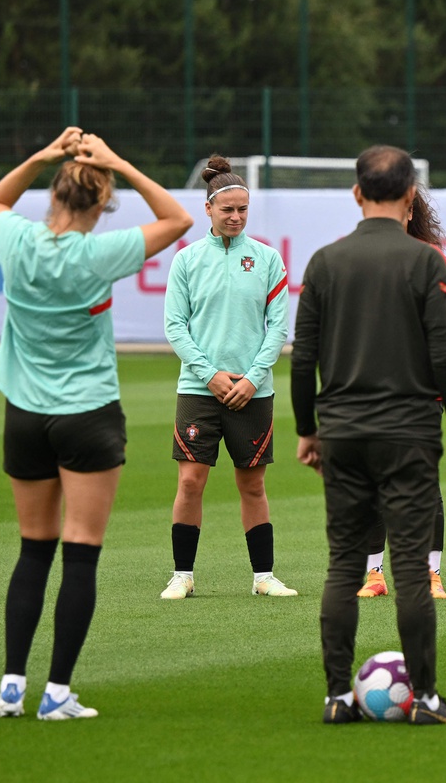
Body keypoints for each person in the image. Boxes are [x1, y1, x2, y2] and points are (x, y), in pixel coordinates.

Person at [0, 128, 193, 719]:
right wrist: (118, 161)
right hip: (87, 414)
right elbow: (178, 218)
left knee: (33, 551)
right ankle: (56, 694)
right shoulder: (99, 252)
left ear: (53, 193)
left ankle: (10, 688)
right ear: (102, 202)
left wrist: (45, 155)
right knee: (80, 554)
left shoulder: (18, 240)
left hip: (24, 413)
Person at [292, 145, 446, 725]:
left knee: (344, 565)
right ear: (411, 195)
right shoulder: (428, 263)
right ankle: (424, 699)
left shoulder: (324, 262)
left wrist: (305, 429)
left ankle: (337, 698)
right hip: (408, 432)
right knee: (412, 568)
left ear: (356, 193)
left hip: (341, 432)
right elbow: (444, 354)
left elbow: (302, 361)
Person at [158, 155, 294, 600]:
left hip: (254, 392)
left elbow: (278, 327)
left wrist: (252, 379)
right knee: (190, 481)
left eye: (243, 210)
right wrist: (211, 374)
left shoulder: (269, 259)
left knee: (252, 484)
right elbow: (175, 325)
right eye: (227, 210)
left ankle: (263, 577)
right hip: (199, 389)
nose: (235, 217)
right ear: (209, 210)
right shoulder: (186, 260)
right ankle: (182, 575)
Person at [358, 187, 446, 601]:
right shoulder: (359, 257)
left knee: (423, 484)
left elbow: (444, 331)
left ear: (411, 210)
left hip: (419, 391)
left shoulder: (433, 260)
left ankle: (430, 574)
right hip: (370, 390)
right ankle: (373, 574)